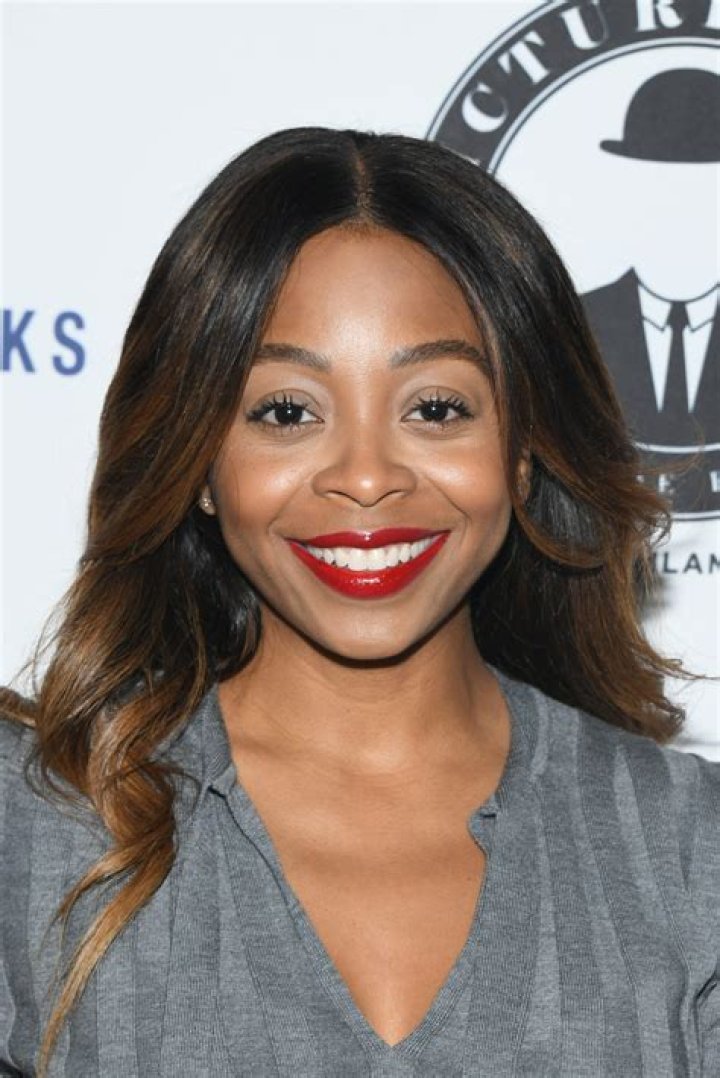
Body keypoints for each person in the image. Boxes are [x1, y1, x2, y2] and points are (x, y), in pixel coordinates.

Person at [1, 127, 718, 1078]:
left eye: (435, 408)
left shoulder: (689, 849)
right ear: (200, 464)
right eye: (287, 411)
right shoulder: (35, 824)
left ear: (523, 449)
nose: (368, 477)